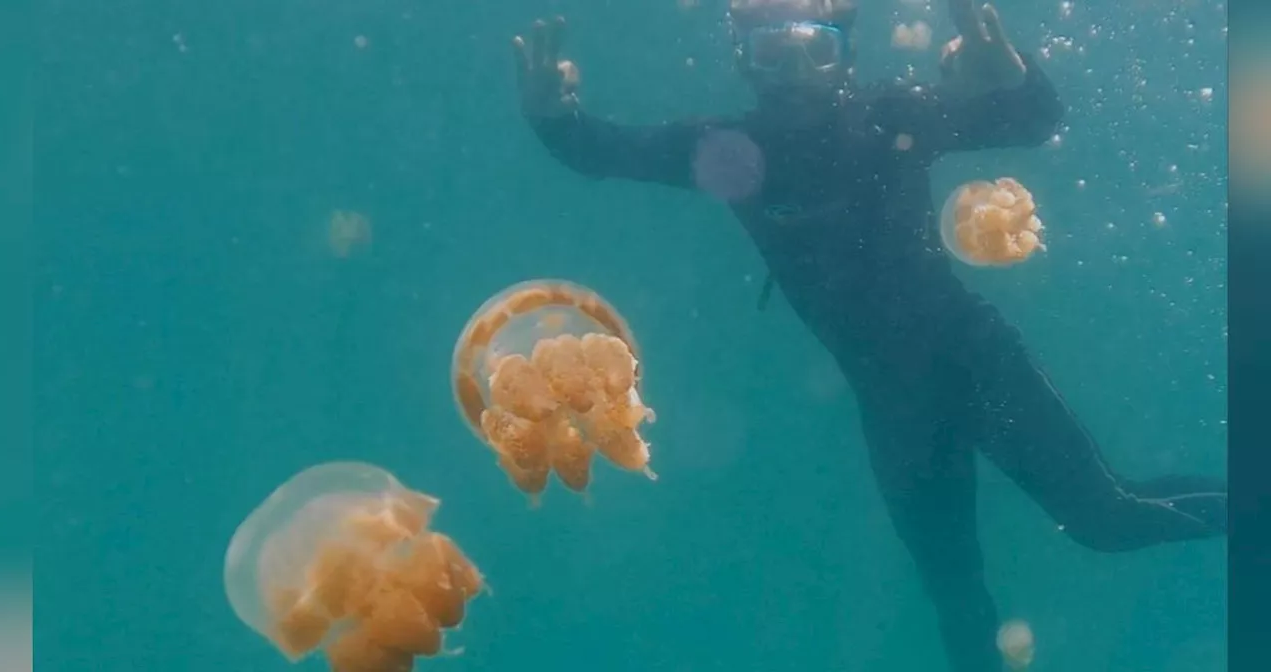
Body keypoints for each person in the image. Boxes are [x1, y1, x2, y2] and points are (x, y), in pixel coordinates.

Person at [511, 1, 1228, 669]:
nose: (793, 72)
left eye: (813, 49)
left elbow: (1032, 117)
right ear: (742, 58)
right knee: (958, 598)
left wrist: (1009, 67)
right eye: (771, 51)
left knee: (1105, 519)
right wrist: (552, 115)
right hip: (893, 407)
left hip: (976, 360)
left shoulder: (890, 114)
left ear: (846, 51)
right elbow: (599, 151)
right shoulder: (726, 150)